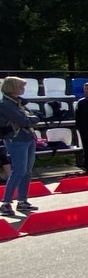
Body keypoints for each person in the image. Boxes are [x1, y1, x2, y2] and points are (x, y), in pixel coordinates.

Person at [0, 76, 40, 217]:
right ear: (13, 88)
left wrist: (32, 118)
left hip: (28, 138)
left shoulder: (18, 103)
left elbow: (30, 117)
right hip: (16, 139)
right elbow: (24, 120)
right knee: (18, 171)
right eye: (21, 86)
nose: (23, 89)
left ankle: (22, 200)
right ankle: (6, 203)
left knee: (27, 171)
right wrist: (33, 119)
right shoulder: (5, 104)